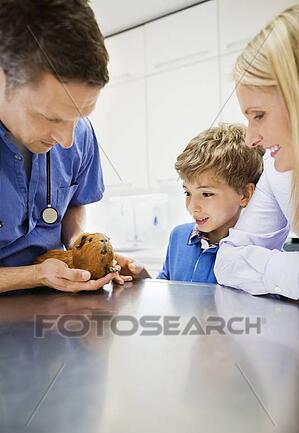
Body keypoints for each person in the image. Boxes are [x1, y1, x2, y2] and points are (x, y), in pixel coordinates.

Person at [0, 0, 142, 294]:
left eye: (78, 118)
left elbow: (73, 203)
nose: (67, 140)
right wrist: (37, 275)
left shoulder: (80, 134)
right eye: (51, 117)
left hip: (53, 313)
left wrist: (79, 244)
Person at [214, 4, 299, 300]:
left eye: (259, 115)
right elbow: (227, 263)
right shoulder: (278, 174)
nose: (250, 139)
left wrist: (274, 269)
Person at [157, 124, 263, 282]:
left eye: (206, 194)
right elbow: (166, 289)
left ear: (244, 194)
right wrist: (140, 278)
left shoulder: (259, 254)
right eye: (188, 193)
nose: (192, 206)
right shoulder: (179, 237)